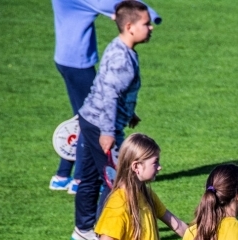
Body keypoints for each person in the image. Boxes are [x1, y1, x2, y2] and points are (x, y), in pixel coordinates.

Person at [49, 0, 161, 193]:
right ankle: (76, 178)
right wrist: (150, 13)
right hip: (78, 62)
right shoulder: (120, 53)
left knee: (84, 119)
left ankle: (66, 176)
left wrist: (128, 112)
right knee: (90, 121)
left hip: (66, 57)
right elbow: (114, 4)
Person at [72, 0, 156, 240]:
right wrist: (108, 132)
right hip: (101, 126)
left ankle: (83, 228)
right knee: (119, 180)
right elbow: (109, 95)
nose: (151, 28)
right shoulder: (123, 59)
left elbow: (111, 89)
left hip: (90, 119)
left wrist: (130, 113)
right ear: (130, 26)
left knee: (89, 176)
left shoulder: (119, 48)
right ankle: (102, 236)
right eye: (146, 23)